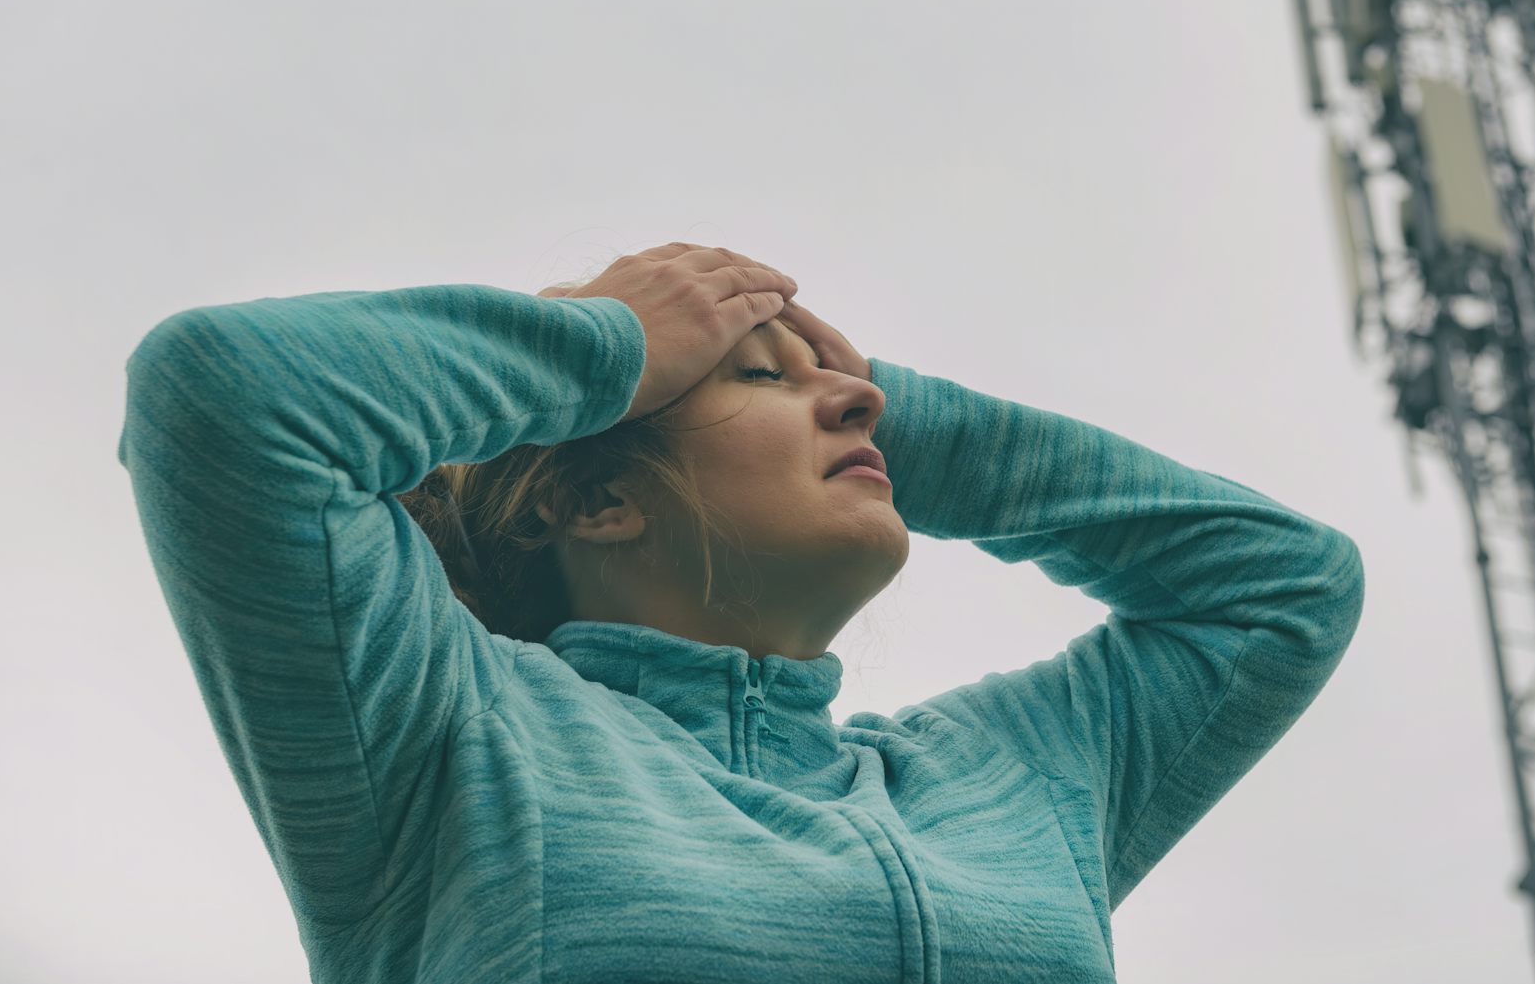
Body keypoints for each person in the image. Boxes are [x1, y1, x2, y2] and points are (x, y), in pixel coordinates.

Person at [117, 241, 1364, 983]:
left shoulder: (1008, 784)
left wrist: (888, 407)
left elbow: (1281, 584)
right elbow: (218, 398)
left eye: (844, 393)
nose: (851, 407)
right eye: (764, 382)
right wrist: (603, 345)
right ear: (595, 500)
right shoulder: (448, 742)